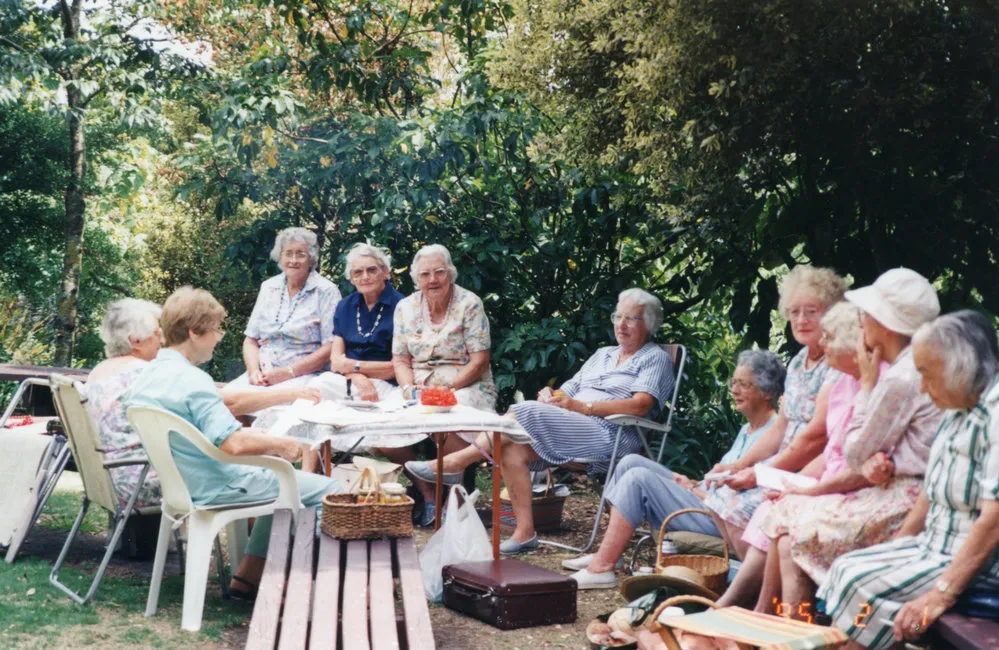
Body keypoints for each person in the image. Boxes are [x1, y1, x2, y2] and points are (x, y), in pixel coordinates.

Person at [406, 288, 675, 554]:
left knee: (526, 411)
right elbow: (568, 391)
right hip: (572, 427)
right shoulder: (603, 355)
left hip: (612, 434)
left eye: (631, 319)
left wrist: (585, 407)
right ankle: (525, 533)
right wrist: (552, 396)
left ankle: (457, 462)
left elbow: (641, 405)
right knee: (510, 447)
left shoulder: (655, 358)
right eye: (618, 317)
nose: (621, 325)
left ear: (649, 325)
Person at [127, 287, 341, 599]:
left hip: (182, 485)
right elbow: (234, 444)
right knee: (329, 491)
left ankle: (249, 578)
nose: (220, 336)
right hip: (218, 485)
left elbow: (224, 400)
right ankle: (320, 589)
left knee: (281, 481)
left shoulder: (154, 373)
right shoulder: (191, 379)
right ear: (195, 332)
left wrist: (289, 394)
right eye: (216, 329)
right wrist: (283, 445)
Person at [750, 271, 942, 613]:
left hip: (904, 501)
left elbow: (854, 452)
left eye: (867, 314)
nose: (861, 321)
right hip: (893, 490)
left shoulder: (898, 376)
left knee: (790, 523)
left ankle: (787, 629)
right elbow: (866, 453)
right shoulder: (901, 367)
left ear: (885, 324)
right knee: (786, 518)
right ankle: (778, 624)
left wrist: (868, 385)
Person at [818, 310, 999, 650]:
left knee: (864, 582)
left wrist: (941, 594)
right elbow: (929, 495)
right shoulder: (957, 409)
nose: (922, 387)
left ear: (961, 370)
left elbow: (994, 521)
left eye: (928, 375)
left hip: (980, 567)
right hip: (934, 547)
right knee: (845, 566)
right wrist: (897, 545)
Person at [563, 349, 786, 590]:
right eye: (734, 382)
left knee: (638, 479)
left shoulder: (776, 434)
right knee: (630, 462)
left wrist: (698, 491)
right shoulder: (747, 430)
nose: (734, 390)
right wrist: (694, 484)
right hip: (707, 499)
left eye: (744, 384)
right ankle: (610, 554)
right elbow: (725, 478)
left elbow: (748, 496)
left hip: (722, 517)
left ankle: (601, 569)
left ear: (768, 392)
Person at [84, 298, 320, 511]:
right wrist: (292, 394)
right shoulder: (147, 374)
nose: (162, 340)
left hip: (112, 474)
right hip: (155, 477)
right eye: (156, 334)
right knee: (273, 473)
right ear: (135, 341)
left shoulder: (98, 373)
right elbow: (231, 403)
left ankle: (253, 557)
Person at [702, 266, 845, 601]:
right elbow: (781, 426)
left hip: (808, 468)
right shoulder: (797, 363)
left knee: (742, 504)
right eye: (794, 312)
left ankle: (758, 595)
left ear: (832, 313)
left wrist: (763, 475)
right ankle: (756, 585)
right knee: (718, 493)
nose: (801, 319)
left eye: (812, 311)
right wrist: (740, 465)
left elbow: (815, 438)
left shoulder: (837, 363)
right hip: (783, 464)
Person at [391, 244, 497, 523]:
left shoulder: (469, 304)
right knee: (385, 426)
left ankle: (454, 498)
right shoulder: (405, 307)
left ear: (450, 273)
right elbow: (400, 360)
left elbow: (480, 361)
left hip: (465, 384)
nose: (433, 279)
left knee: (454, 412)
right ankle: (428, 495)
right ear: (417, 278)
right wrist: (407, 389)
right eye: (425, 274)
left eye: (439, 272)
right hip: (417, 387)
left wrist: (446, 391)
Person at [235, 227, 341, 389]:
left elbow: (330, 348)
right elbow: (250, 340)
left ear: (311, 259)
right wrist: (253, 371)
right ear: (280, 256)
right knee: (227, 401)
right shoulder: (269, 287)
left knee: (266, 406)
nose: (293, 260)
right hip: (263, 374)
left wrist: (288, 372)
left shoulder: (326, 291)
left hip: (304, 375)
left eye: (300, 254)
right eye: (288, 253)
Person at [309, 243, 404, 402]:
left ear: (385, 272)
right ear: (351, 279)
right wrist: (357, 377)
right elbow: (336, 361)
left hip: (390, 386)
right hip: (348, 380)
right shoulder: (345, 306)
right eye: (358, 272)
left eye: (372, 270)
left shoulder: (402, 306)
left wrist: (353, 367)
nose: (365, 276)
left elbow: (397, 367)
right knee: (313, 391)